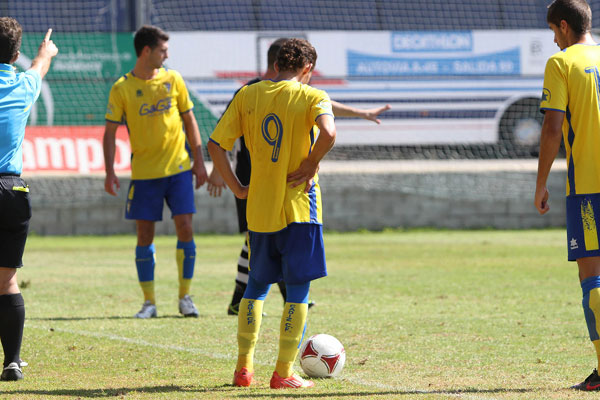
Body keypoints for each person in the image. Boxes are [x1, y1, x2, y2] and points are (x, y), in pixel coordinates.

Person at [207, 38, 391, 316]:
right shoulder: (249, 92)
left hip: (271, 180)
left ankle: (254, 299)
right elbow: (223, 136)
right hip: (255, 175)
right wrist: (221, 175)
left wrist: (362, 113)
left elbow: (325, 104)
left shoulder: (294, 94)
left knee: (263, 241)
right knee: (257, 241)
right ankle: (268, 296)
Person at [209, 38, 335, 390]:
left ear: (277, 65)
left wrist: (237, 187)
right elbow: (329, 132)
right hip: (299, 208)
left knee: (255, 288)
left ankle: (243, 370)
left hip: (259, 209)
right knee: (297, 293)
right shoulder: (313, 96)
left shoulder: (248, 95)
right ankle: (283, 372)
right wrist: (310, 163)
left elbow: (215, 144)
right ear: (307, 69)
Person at [103, 25, 209, 319]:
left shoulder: (173, 79)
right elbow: (110, 133)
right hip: (144, 174)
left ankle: (185, 297)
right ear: (146, 51)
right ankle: (149, 302)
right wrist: (110, 171)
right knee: (144, 235)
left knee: (186, 227)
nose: (167, 54)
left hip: (178, 170)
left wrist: (199, 162)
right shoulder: (122, 87)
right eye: (163, 49)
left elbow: (190, 122)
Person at [535, 0, 600, 391]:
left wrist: (541, 182)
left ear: (563, 26)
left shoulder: (562, 63)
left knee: (592, 277)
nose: (554, 40)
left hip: (589, 188)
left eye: (553, 32)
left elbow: (552, 129)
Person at [0, 19, 58, 381]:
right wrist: (44, 51)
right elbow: (40, 66)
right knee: (6, 281)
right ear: (15, 54)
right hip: (12, 190)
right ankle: (12, 362)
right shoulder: (23, 84)